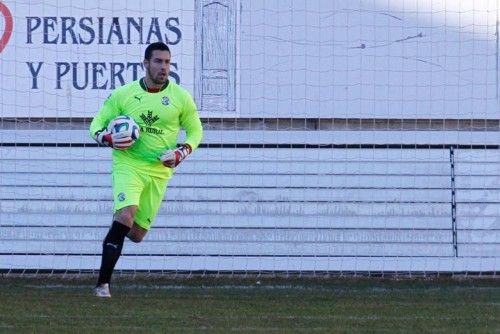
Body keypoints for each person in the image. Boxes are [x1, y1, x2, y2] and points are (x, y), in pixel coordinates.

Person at [89, 42, 203, 298]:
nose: (164, 67)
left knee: (137, 234)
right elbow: (95, 125)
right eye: (158, 62)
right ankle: (102, 284)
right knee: (125, 216)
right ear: (146, 64)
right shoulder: (124, 94)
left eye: (167, 62)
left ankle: (118, 228)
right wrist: (108, 139)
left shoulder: (180, 97)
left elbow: (196, 131)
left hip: (159, 171)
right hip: (128, 164)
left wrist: (181, 151)